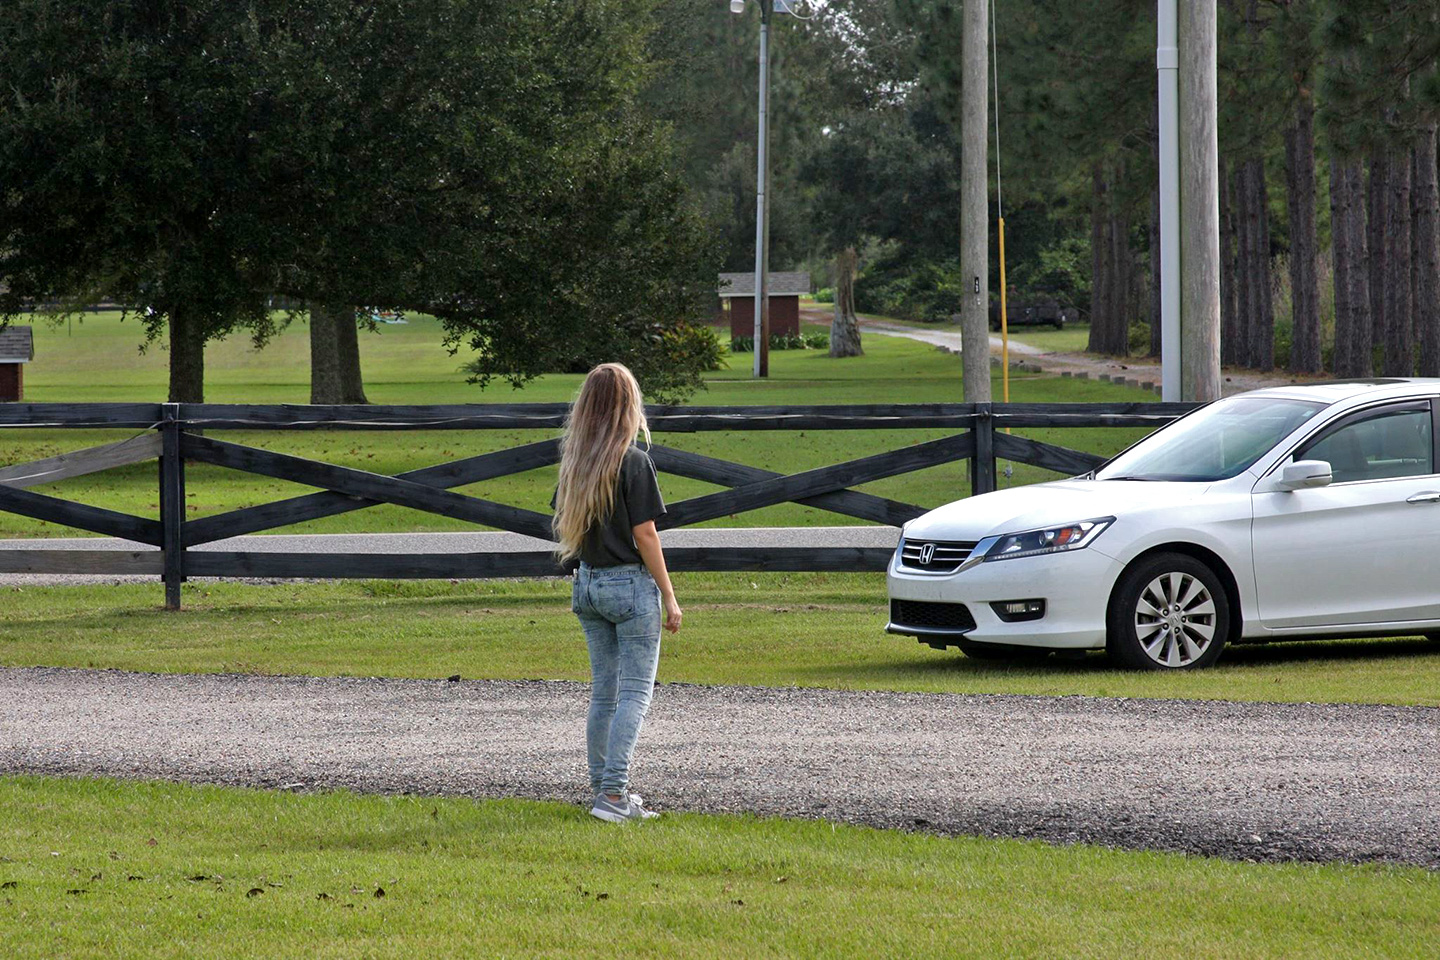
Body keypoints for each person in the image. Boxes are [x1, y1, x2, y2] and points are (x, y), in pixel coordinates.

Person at [552, 363, 682, 824]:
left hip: (586, 584)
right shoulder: (632, 460)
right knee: (634, 694)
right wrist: (669, 594)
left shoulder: (575, 462)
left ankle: (602, 791)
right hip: (628, 586)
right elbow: (645, 533)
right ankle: (613, 795)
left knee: (603, 695)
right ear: (629, 405)